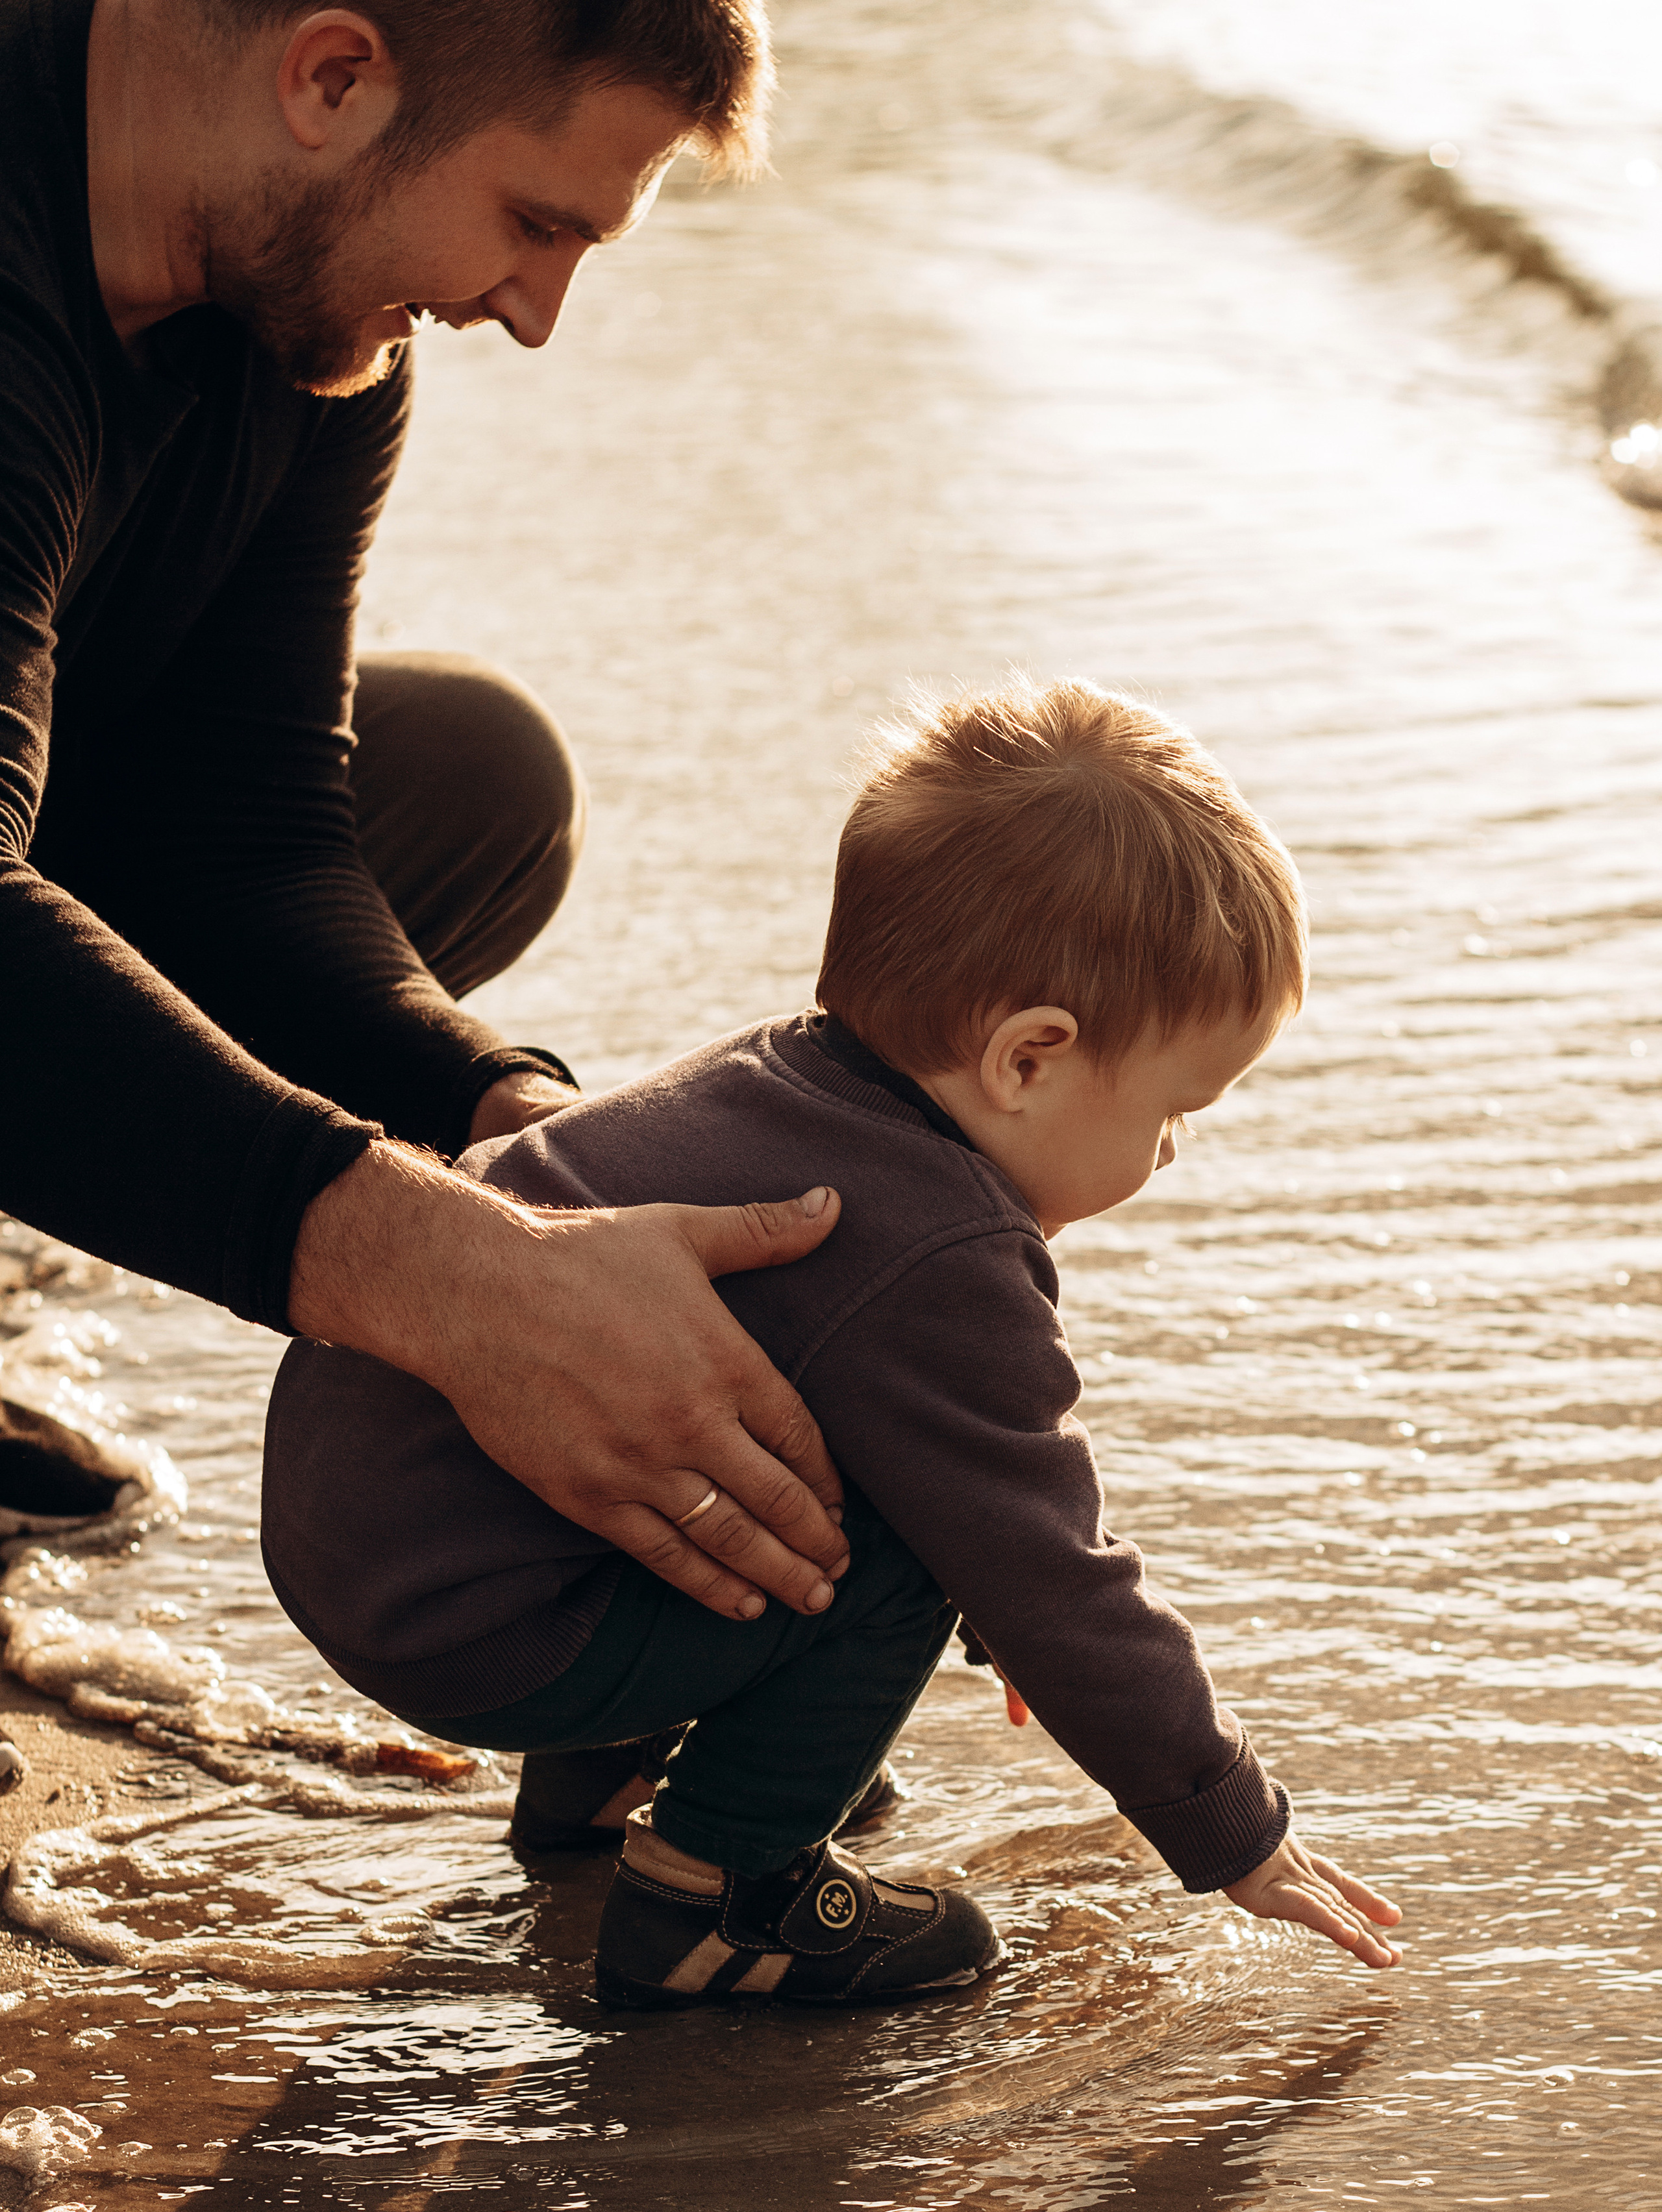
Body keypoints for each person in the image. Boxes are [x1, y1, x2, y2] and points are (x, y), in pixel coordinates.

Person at [262, 676, 1406, 2009]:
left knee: (831, 1464)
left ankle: (607, 1781)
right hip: (482, 1618)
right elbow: (1054, 1570)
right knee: (912, 1549)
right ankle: (718, 1897)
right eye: (1176, 1108)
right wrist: (1229, 1824)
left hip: (372, 1531)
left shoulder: (768, 1076)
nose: (1169, 1149)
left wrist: (1019, 1610)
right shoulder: (941, 1251)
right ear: (1028, 1058)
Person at [1, 0, 858, 1656]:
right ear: (331, 77)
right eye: (536, 223)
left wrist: (529, 1149)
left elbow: (238, 827)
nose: (531, 316)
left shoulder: (298, 325)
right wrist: (453, 1282)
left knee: (471, 788)